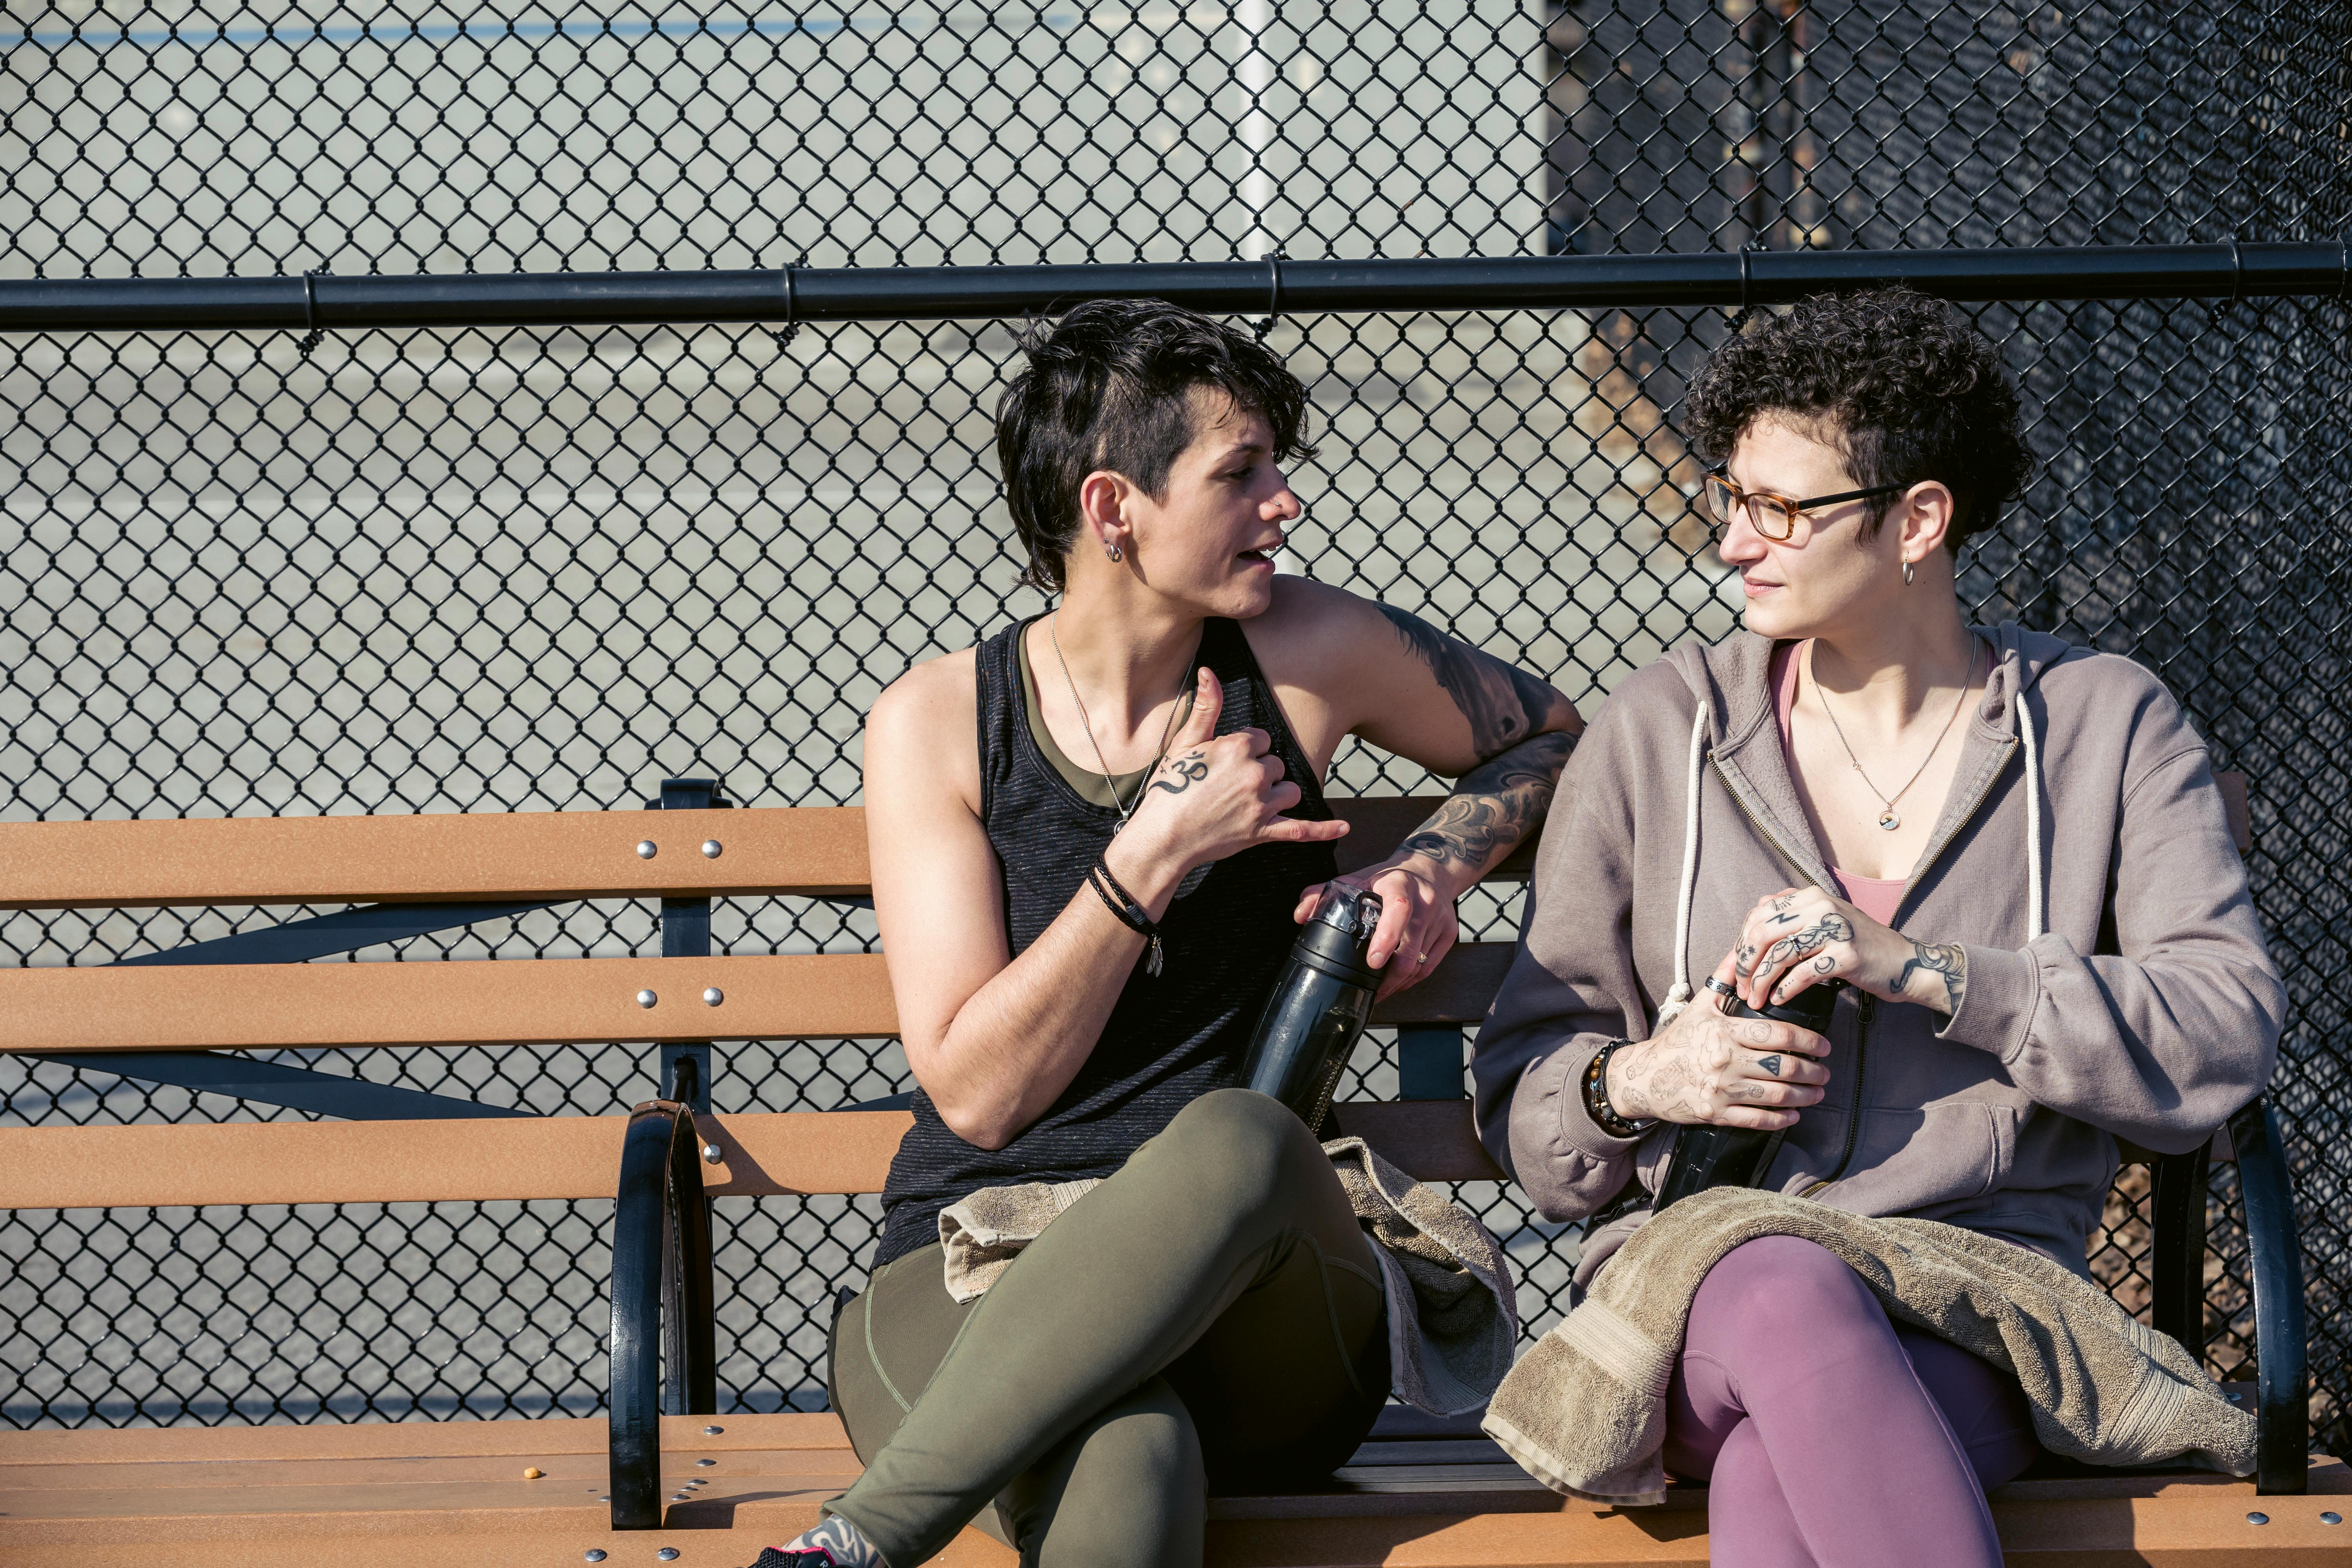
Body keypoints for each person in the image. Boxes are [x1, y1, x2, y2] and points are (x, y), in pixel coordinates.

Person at [754, 298, 1584, 1568]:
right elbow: (979, 1099)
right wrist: (1148, 859)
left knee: (1243, 1136)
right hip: (972, 1261)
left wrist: (1434, 857)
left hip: (1261, 1299)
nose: (1284, 504)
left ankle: (858, 1545)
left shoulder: (1306, 652)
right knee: (1129, 1447)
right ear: (1112, 510)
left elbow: (1557, 738)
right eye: (1239, 474)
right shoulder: (936, 723)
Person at [1471, 287, 2283, 1567]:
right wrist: (1641, 1080)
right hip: (1703, 1281)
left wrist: (1936, 973)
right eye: (1733, 499)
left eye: (1782, 509)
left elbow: (2225, 1030)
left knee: (1771, 1485)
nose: (1735, 541)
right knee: (1788, 1287)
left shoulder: (2104, 725)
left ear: (1918, 520)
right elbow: (1526, 1094)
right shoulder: (1659, 730)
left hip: (1984, 1302)